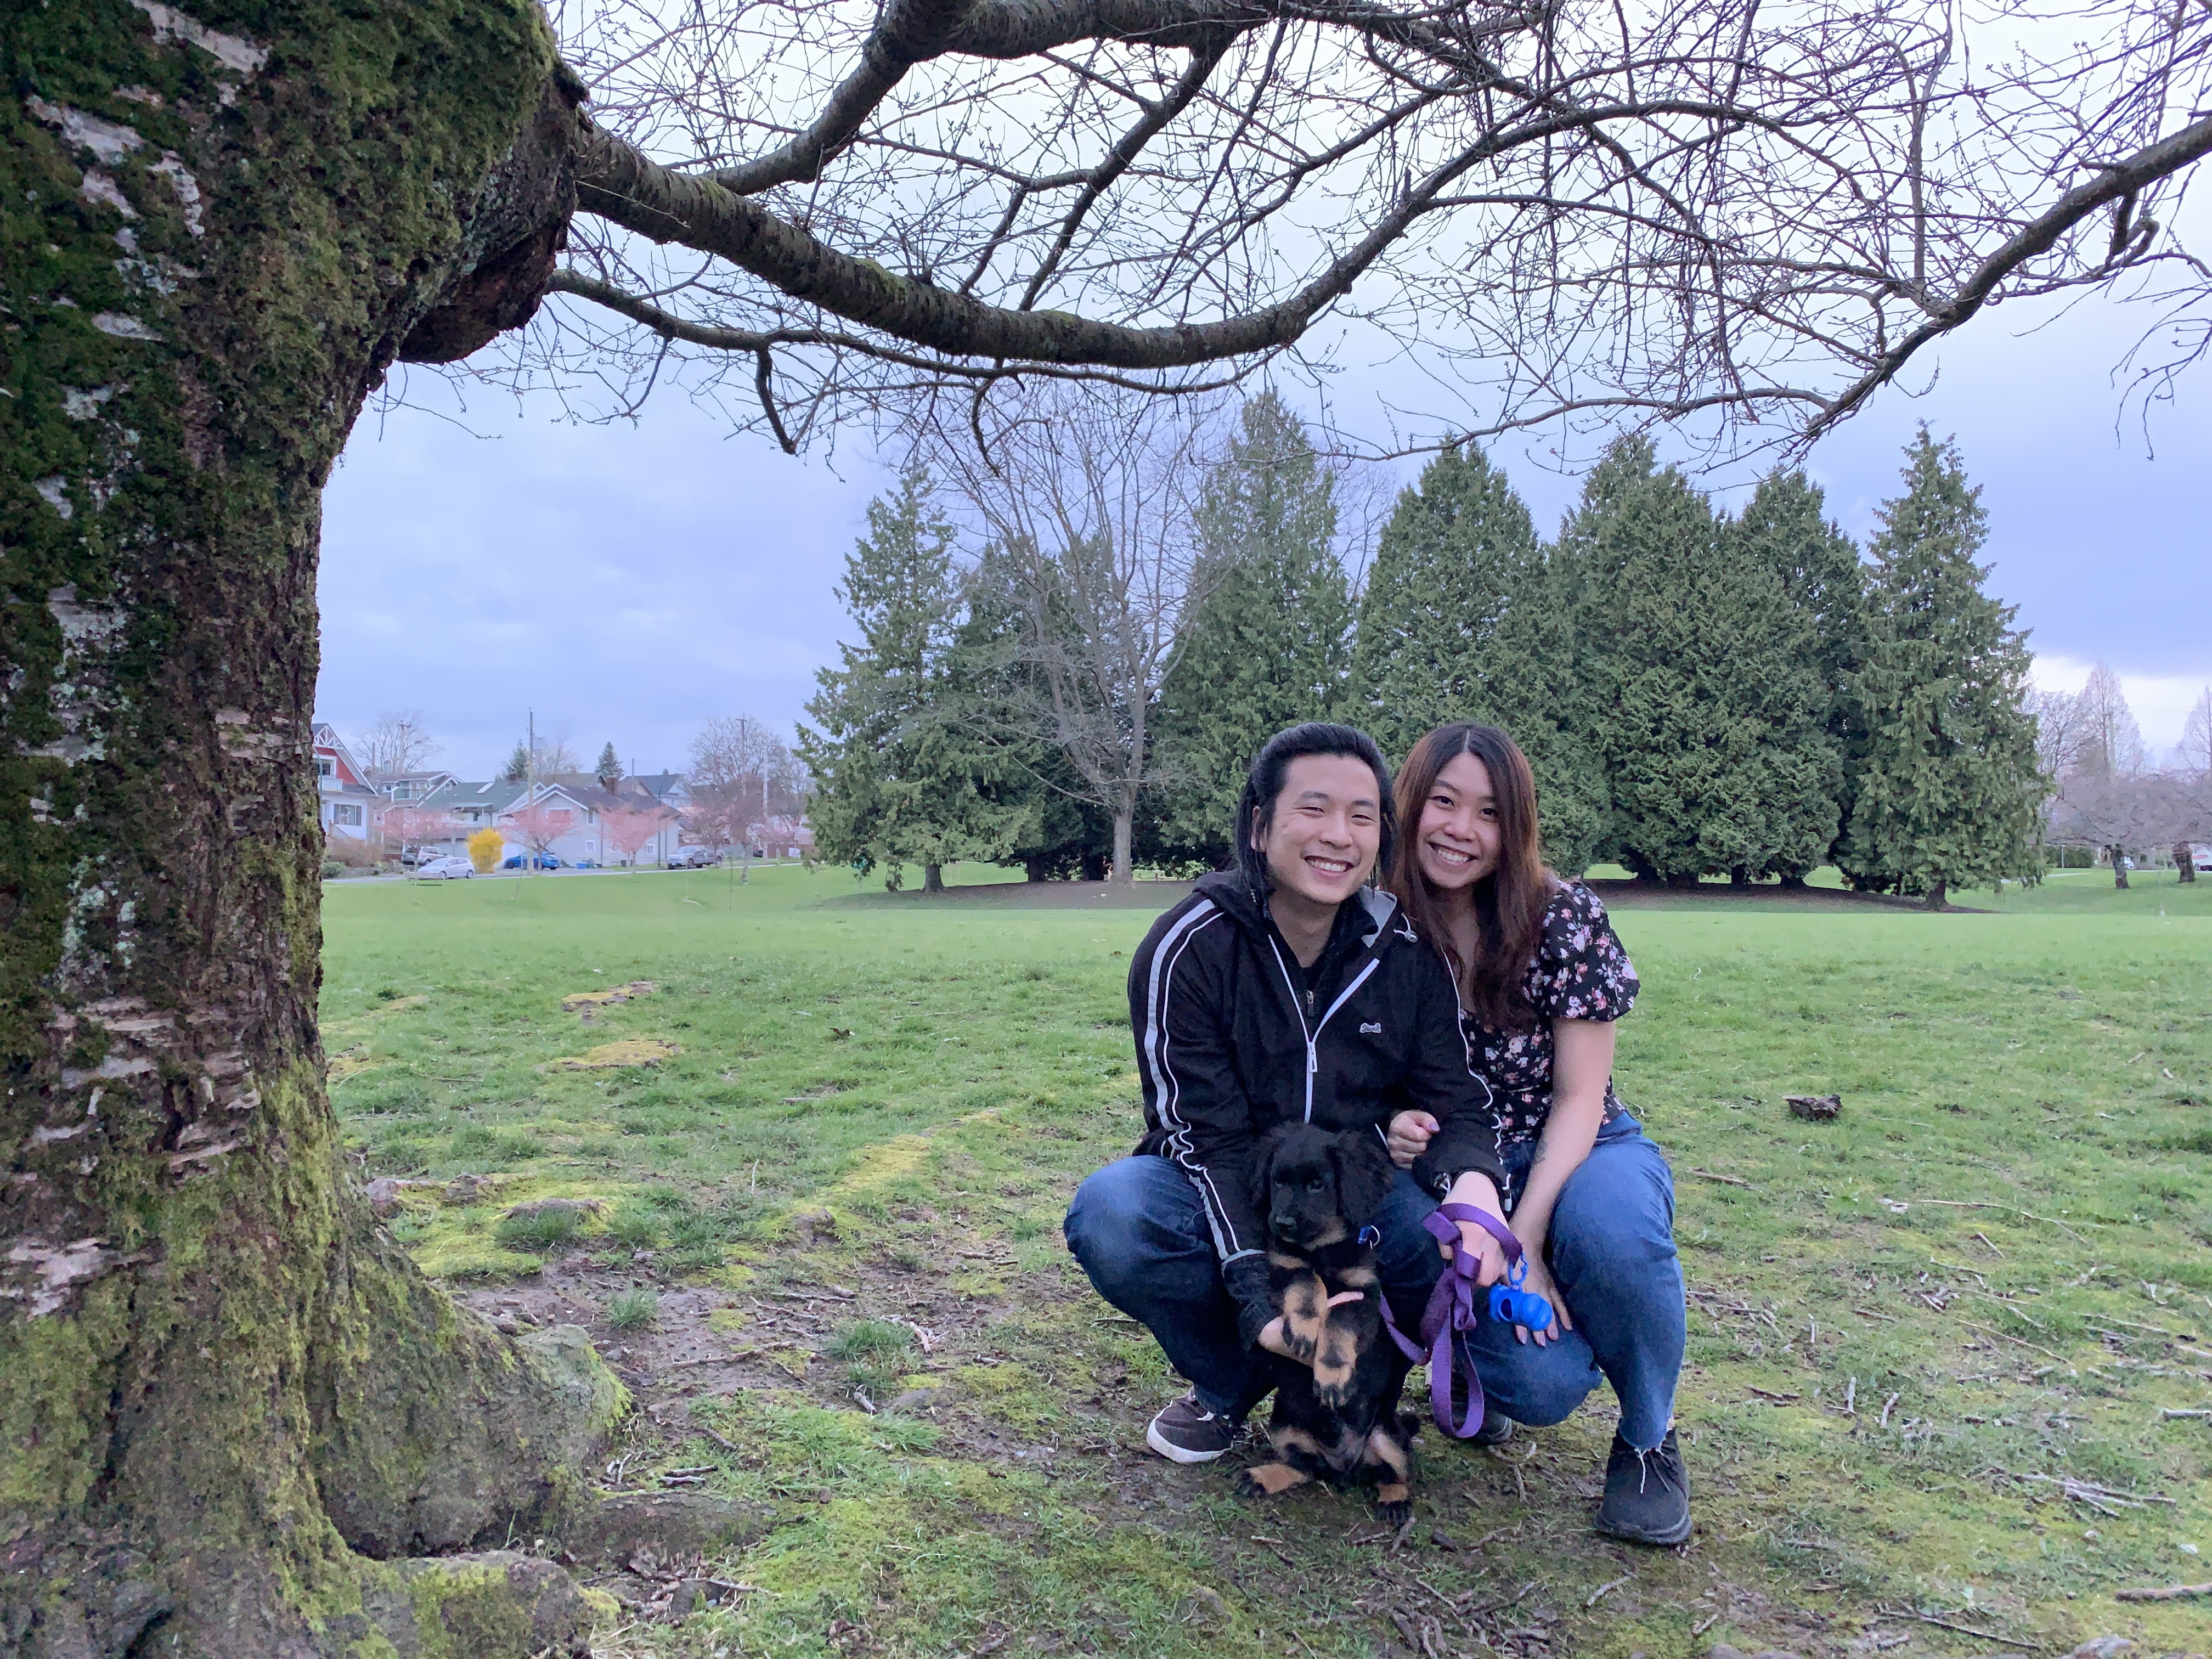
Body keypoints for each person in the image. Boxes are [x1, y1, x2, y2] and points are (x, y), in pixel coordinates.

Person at [1063, 724, 1515, 1464]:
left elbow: (1457, 1103)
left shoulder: (1406, 953)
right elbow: (1207, 1142)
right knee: (1117, 1214)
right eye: (1314, 809)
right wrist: (1256, 1298)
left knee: (1437, 1234)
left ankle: (1369, 1386)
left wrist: (1473, 1187)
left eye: (1362, 816)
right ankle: (1232, 1379)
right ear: (1259, 825)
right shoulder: (1190, 947)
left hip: (1356, 1197)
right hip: (1229, 1185)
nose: (1338, 835)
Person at [1381, 721, 1690, 1545]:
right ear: (1409, 807)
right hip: (1451, 1168)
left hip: (1579, 1145)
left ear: (1514, 825)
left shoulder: (1563, 917)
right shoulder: (1376, 922)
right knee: (1541, 1384)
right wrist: (1390, 1124)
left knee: (1618, 1235)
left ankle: (1649, 1439)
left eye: (1489, 812)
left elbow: (1580, 1098)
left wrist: (1525, 1236)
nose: (1462, 829)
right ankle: (1485, 1369)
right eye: (1443, 802)